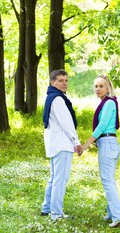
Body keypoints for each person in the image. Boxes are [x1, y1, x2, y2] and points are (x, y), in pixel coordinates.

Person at [81, 75, 120, 228]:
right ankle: (111, 213)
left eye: (101, 86)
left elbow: (102, 126)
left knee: (107, 181)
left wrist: (86, 144)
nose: (98, 89)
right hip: (107, 143)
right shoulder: (107, 103)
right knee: (109, 180)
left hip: (107, 143)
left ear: (108, 88)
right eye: (96, 86)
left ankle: (118, 215)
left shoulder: (108, 104)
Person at [41, 69, 82, 222]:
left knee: (54, 177)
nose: (64, 83)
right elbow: (67, 123)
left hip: (55, 143)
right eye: (60, 81)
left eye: (66, 81)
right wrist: (76, 142)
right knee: (60, 179)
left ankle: (46, 208)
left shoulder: (51, 97)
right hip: (62, 144)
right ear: (53, 82)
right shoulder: (58, 99)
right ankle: (56, 213)